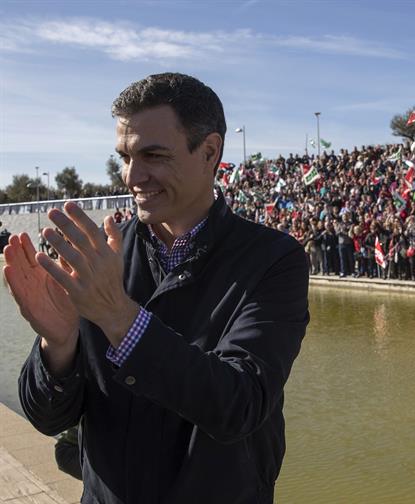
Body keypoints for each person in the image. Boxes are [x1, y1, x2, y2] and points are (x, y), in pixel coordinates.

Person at [4, 73, 309, 503]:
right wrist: (58, 347)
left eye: (153, 155)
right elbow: (47, 416)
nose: (132, 176)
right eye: (125, 157)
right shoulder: (103, 253)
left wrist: (119, 318)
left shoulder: (273, 259)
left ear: (209, 152)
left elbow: (240, 405)